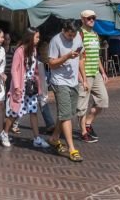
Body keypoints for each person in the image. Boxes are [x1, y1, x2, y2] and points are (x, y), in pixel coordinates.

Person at [1, 28, 49, 149]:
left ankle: (37, 138)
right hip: (21, 87)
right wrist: (17, 87)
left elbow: (34, 68)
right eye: (37, 37)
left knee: (33, 111)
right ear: (30, 37)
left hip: (30, 87)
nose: (38, 39)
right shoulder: (20, 51)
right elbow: (14, 70)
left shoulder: (33, 50)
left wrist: (37, 80)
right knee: (14, 112)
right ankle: (4, 133)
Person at [47, 20, 84, 163]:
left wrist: (83, 77)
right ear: (64, 30)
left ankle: (54, 138)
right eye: (69, 35)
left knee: (66, 113)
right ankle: (72, 149)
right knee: (66, 116)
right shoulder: (55, 41)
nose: (71, 38)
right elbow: (51, 64)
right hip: (59, 82)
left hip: (73, 81)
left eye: (73, 35)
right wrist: (67, 57)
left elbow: (81, 58)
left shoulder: (78, 37)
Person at [77, 10, 108, 143]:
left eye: (93, 18)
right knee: (82, 105)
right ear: (83, 19)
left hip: (95, 73)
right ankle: (83, 131)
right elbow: (78, 58)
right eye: (89, 18)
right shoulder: (80, 34)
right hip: (85, 75)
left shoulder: (95, 34)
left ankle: (88, 123)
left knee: (103, 100)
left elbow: (97, 56)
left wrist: (103, 72)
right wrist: (82, 77)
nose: (92, 20)